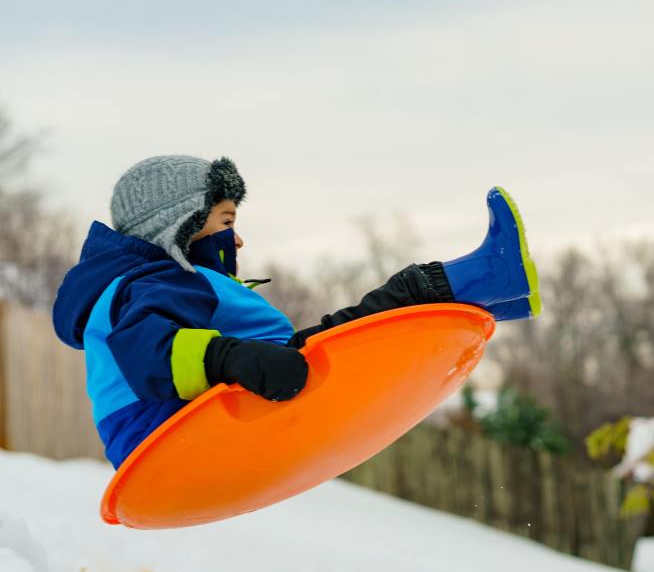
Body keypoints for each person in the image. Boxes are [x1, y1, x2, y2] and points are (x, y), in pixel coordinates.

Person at [52, 154, 539, 469]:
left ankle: (493, 292)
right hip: (167, 435)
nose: (236, 238)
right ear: (180, 225)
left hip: (173, 430)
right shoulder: (155, 282)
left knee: (339, 335)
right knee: (356, 329)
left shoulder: (145, 283)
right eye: (225, 222)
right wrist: (229, 358)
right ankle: (486, 277)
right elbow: (146, 350)